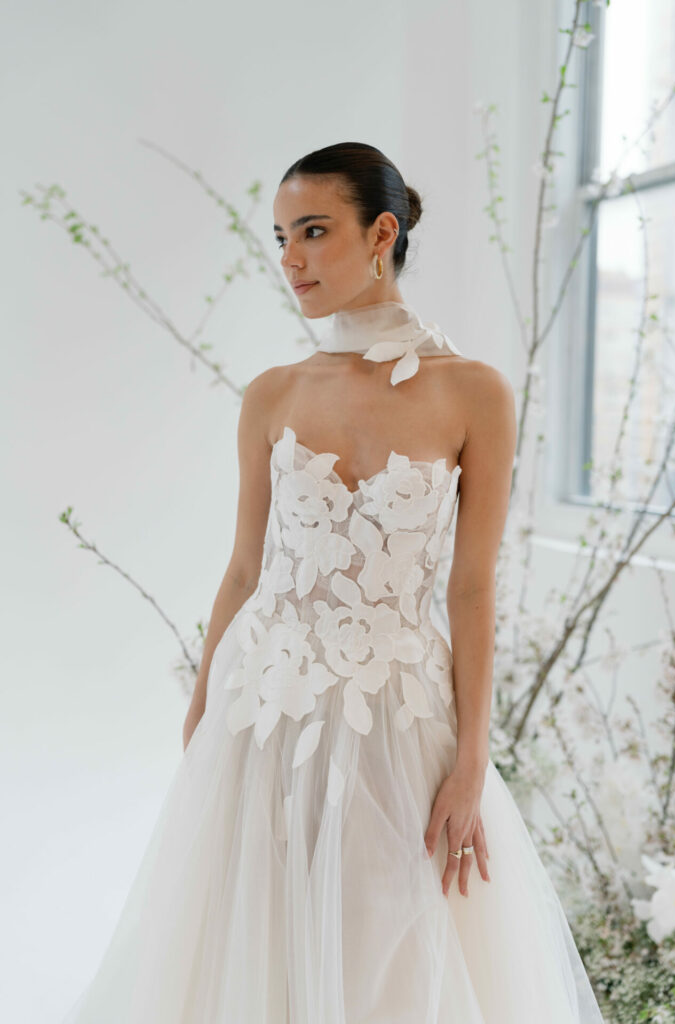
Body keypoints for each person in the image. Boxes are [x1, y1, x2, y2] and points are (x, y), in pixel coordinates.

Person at [61, 142, 605, 1023]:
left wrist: (472, 761)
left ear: (381, 232)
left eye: (313, 232)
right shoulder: (272, 394)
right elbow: (245, 566)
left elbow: (470, 589)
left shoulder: (474, 393)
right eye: (280, 237)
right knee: (257, 935)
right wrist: (203, 705)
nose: (291, 260)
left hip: (398, 715)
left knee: (389, 939)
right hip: (263, 707)